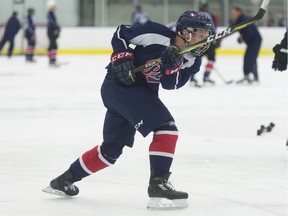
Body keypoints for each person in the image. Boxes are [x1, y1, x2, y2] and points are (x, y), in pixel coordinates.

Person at [42, 10, 212, 210]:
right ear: (185, 31)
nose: (204, 39)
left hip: (135, 94)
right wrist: (122, 57)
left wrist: (171, 65)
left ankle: (63, 181)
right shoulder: (155, 33)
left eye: (206, 35)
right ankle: (158, 185)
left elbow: (170, 84)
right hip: (119, 85)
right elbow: (121, 33)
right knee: (167, 128)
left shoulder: (192, 60)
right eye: (200, 34)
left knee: (110, 151)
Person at [190, 2, 220, 86]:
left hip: (197, 41)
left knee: (195, 59)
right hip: (208, 40)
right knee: (211, 59)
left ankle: (192, 78)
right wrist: (215, 38)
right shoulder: (208, 15)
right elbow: (212, 27)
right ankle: (206, 77)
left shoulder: (194, 15)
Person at [230, 6, 262, 84]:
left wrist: (242, 38)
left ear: (239, 12)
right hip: (252, 41)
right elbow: (231, 30)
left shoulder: (244, 19)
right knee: (250, 58)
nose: (232, 15)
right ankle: (251, 76)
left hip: (255, 40)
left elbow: (250, 31)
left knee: (250, 58)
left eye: (233, 13)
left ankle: (250, 76)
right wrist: (221, 37)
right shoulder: (239, 20)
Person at [47, 0, 61, 66]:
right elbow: (53, 23)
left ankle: (52, 59)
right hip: (51, 31)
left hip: (52, 31)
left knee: (53, 45)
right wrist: (56, 29)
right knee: (53, 45)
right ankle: (52, 60)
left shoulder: (52, 14)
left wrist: (58, 29)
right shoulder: (49, 14)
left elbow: (54, 23)